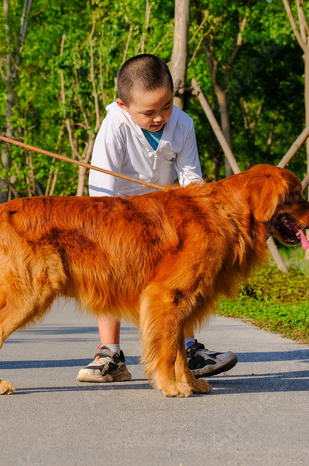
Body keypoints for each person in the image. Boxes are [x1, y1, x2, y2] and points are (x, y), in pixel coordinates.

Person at [78, 54, 238, 383]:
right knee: (111, 274)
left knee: (183, 276)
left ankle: (190, 349)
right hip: (119, 217)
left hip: (167, 216)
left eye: (165, 107)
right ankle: (110, 353)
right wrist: (111, 235)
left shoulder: (183, 123)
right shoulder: (114, 126)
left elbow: (192, 179)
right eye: (148, 112)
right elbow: (101, 192)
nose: (158, 118)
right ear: (123, 105)